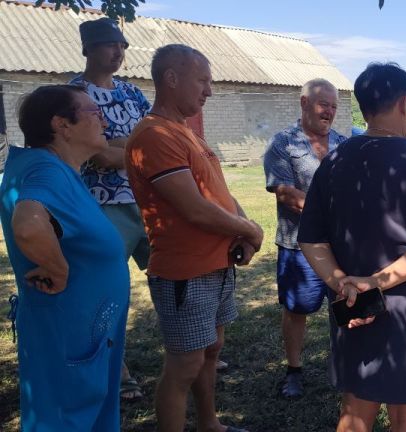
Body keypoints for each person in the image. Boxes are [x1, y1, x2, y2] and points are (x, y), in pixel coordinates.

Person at [298, 62, 406, 431]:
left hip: (353, 305)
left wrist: (344, 283)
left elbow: (311, 238)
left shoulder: (334, 161)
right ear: (405, 103)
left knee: (355, 406)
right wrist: (375, 281)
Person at [125, 44, 262, 432]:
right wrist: (250, 230)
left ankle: (209, 424)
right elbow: (195, 209)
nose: (210, 90)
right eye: (202, 80)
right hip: (185, 272)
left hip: (216, 263)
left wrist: (243, 227)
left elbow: (217, 192)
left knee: (210, 352)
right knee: (183, 365)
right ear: (171, 78)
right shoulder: (154, 135)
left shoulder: (183, 131)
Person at [0, 85, 129, 431]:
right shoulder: (46, 169)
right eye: (93, 112)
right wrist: (56, 268)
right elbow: (28, 223)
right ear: (62, 124)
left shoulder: (55, 167)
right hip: (67, 335)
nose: (103, 119)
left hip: (83, 332)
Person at [69, 16, 153, 401]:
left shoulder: (134, 93)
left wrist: (121, 147)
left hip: (149, 201)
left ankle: (192, 349)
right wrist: (133, 150)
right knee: (107, 290)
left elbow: (154, 140)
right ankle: (117, 371)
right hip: (102, 208)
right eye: (109, 45)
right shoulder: (73, 95)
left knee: (175, 274)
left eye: (122, 45)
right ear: (88, 49)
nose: (118, 52)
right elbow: (97, 157)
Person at [263, 78, 348, 398]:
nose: (329, 111)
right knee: (297, 309)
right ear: (303, 103)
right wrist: (331, 216)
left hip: (342, 246)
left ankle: (343, 365)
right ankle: (294, 370)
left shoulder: (344, 142)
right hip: (299, 245)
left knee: (344, 302)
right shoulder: (283, 143)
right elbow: (285, 194)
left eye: (334, 106)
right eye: (323, 104)